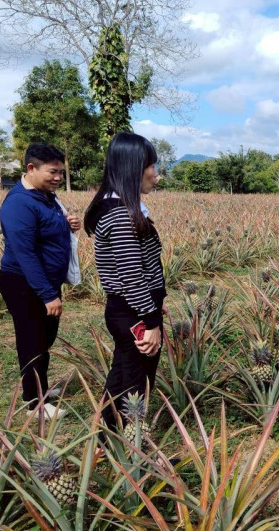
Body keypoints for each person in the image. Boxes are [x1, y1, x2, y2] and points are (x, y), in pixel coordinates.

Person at [84, 132, 163, 437]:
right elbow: (132, 277)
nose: (156, 174)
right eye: (151, 166)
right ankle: (132, 450)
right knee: (136, 385)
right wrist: (151, 320)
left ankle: (106, 438)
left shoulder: (120, 207)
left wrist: (155, 304)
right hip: (133, 312)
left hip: (130, 310)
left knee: (122, 375)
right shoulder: (120, 216)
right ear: (133, 168)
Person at [0, 143, 81, 419]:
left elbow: (46, 230)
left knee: (44, 339)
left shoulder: (47, 197)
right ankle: (34, 403)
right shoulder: (19, 203)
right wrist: (47, 294)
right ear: (31, 168)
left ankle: (40, 388)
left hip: (44, 282)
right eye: (52, 172)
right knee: (32, 341)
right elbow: (25, 253)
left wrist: (68, 224)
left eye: (61, 173)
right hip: (24, 283)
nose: (58, 177)